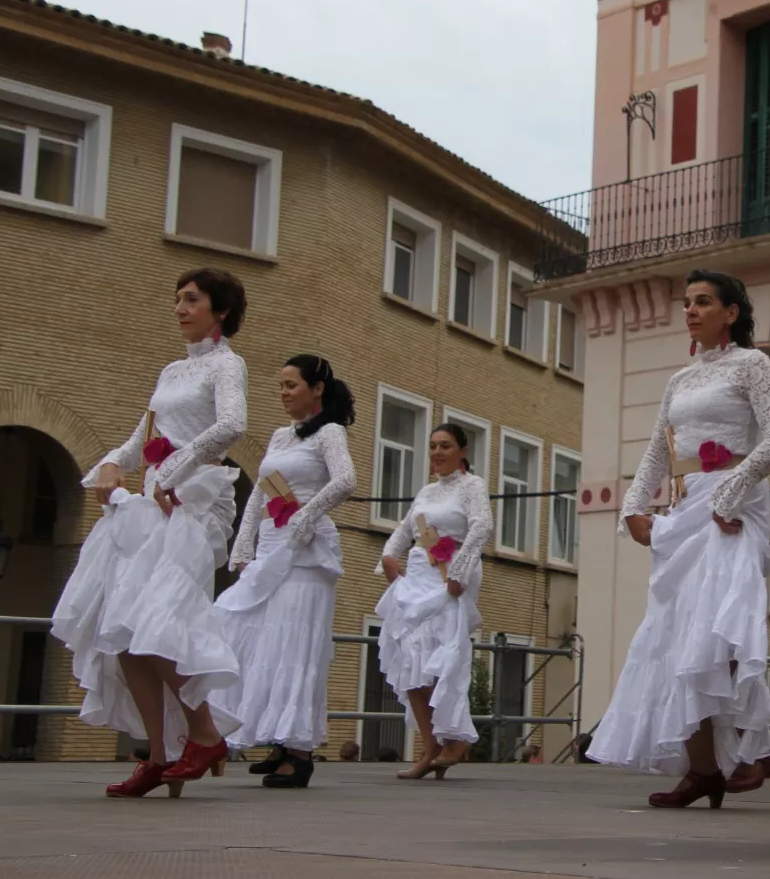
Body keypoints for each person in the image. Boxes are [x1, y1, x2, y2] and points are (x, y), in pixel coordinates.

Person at [586, 269, 770, 808]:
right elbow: (659, 449)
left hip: (733, 507)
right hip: (684, 509)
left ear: (731, 312)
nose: (692, 310)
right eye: (687, 303)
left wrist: (733, 490)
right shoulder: (679, 380)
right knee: (680, 637)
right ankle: (703, 769)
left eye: (703, 302)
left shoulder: (752, 364)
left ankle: (754, 745)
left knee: (720, 631)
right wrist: (632, 508)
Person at [50, 268, 250, 798]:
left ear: (220, 310)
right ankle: (159, 757)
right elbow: (144, 435)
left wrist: (176, 472)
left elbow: (232, 425)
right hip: (157, 504)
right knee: (125, 631)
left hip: (198, 503)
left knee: (156, 619)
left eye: (191, 299)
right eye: (177, 299)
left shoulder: (229, 365)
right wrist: (110, 466)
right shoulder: (169, 371)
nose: (180, 308)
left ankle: (205, 735)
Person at [212, 354, 357, 788]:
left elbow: (346, 480)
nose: (283, 393)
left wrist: (307, 516)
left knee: (296, 644)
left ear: (317, 389)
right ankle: (278, 740)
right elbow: (260, 491)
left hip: (306, 552)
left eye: (291, 384)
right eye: (280, 385)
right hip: (272, 545)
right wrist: (243, 545)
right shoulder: (279, 436)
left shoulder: (329, 432)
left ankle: (298, 750)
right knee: (260, 637)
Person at [375, 423, 492, 779]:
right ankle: (430, 749)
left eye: (445, 446)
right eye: (433, 446)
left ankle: (455, 738)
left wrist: (459, 571)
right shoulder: (426, 491)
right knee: (411, 663)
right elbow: (405, 529)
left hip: (447, 579)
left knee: (442, 660)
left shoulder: (473, 486)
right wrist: (388, 557)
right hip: (417, 578)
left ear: (463, 450)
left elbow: (482, 526)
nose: (438, 452)